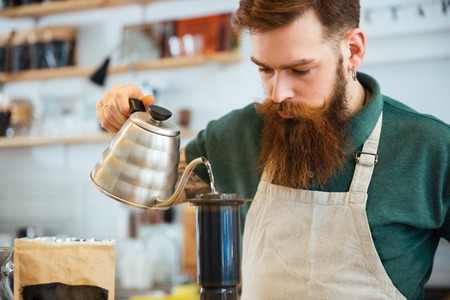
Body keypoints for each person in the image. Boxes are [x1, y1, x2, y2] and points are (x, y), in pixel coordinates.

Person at [97, 0, 450, 299]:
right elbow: (153, 192)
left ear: (352, 51)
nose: (278, 93)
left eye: (300, 69)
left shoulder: (430, 148)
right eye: (265, 69)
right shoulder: (237, 135)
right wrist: (131, 126)